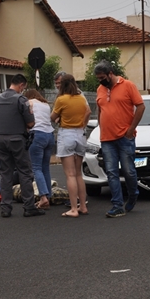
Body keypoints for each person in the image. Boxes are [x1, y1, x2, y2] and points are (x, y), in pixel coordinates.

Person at [94, 60, 145, 218]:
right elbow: (100, 110)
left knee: (128, 171)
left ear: (110, 73)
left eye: (102, 77)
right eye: (98, 78)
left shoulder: (128, 85)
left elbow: (141, 106)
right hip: (106, 139)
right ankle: (117, 205)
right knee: (111, 172)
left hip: (125, 137)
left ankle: (133, 194)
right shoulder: (100, 89)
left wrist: (130, 130)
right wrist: (101, 128)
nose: (100, 81)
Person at [0, 74, 44, 218]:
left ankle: (5, 208)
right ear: (21, 85)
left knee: (5, 173)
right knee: (24, 172)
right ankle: (29, 207)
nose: (23, 90)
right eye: (24, 87)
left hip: (1, 139)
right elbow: (30, 123)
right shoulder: (21, 99)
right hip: (17, 139)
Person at [51, 74, 91, 218]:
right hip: (80, 134)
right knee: (79, 173)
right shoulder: (81, 98)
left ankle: (74, 208)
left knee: (70, 174)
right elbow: (88, 111)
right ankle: (83, 206)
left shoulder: (61, 99)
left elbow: (52, 117)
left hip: (66, 134)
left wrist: (60, 117)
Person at [23, 89, 54, 210]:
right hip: (50, 135)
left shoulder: (29, 102)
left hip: (37, 134)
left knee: (36, 168)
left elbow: (27, 119)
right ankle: (49, 195)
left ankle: (43, 197)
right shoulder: (45, 104)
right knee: (45, 167)